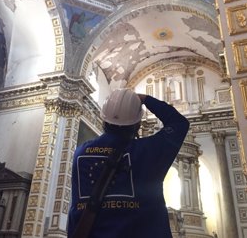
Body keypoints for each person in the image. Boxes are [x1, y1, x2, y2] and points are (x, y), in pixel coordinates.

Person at [68, 88, 189, 238]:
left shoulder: (81, 152)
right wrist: (145, 99)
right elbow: (179, 123)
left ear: (104, 120)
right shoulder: (148, 151)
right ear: (137, 124)